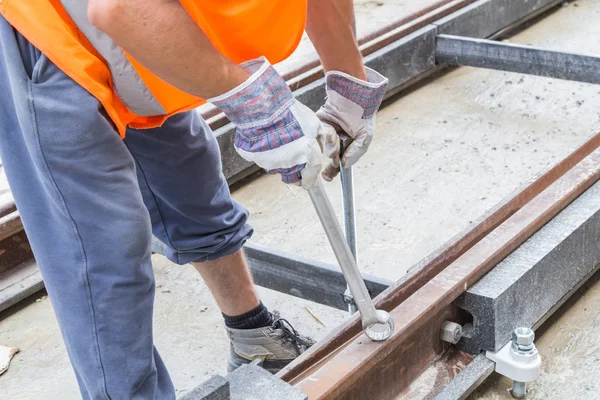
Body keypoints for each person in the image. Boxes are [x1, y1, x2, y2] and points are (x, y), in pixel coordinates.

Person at [0, 0, 387, 398]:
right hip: (49, 32)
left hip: (146, 20)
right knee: (102, 248)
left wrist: (349, 83)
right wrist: (253, 101)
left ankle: (252, 332)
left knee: (187, 171)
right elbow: (120, 8)